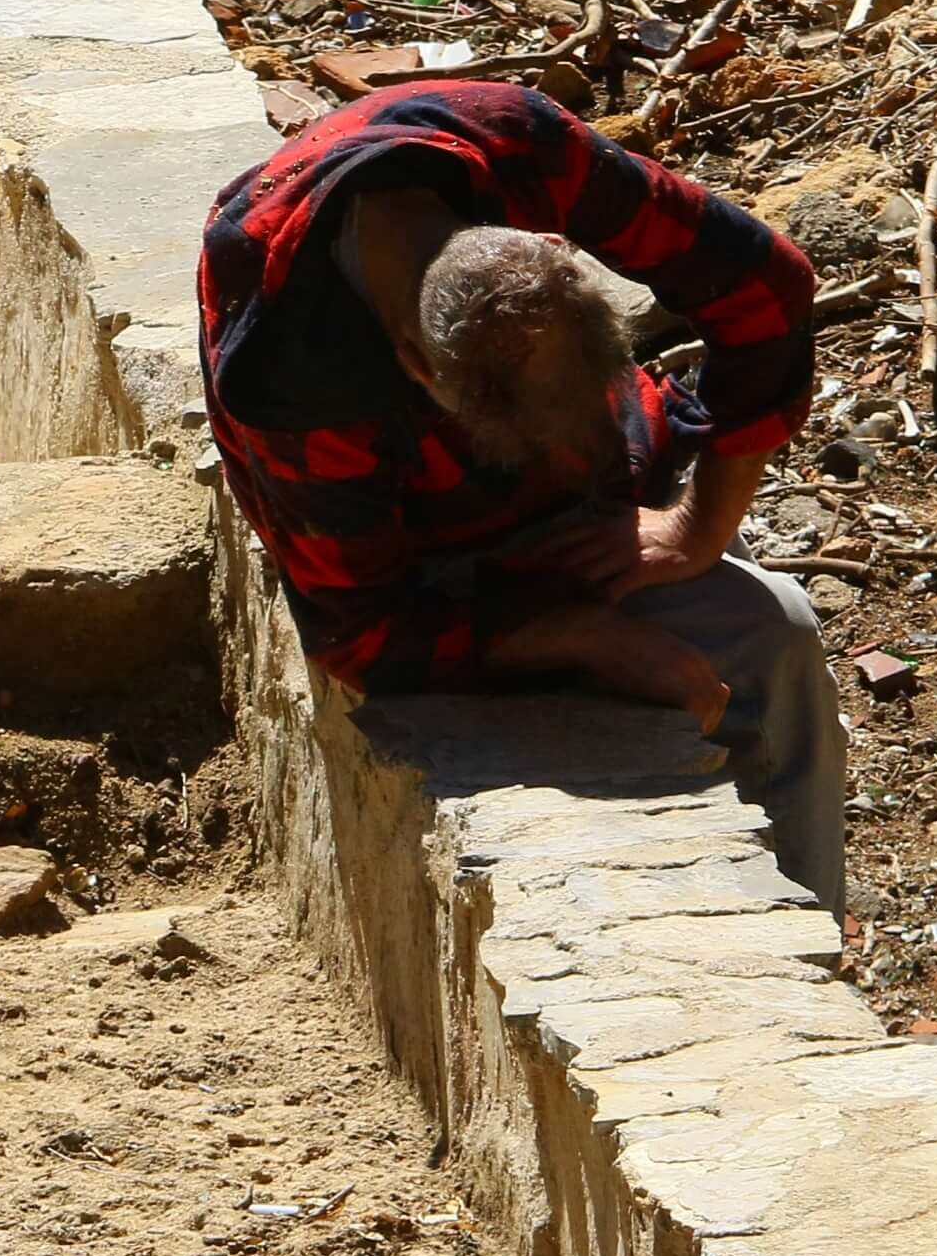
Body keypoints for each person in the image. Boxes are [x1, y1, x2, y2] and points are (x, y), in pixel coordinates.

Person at [198, 78, 842, 911]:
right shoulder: (295, 382)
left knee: (775, 634)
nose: (580, 458)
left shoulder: (512, 143)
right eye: (547, 441)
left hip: (583, 512)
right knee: (754, 633)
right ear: (419, 369)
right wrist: (568, 637)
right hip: (442, 560)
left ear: (556, 248)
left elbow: (765, 286)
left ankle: (809, 932)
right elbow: (364, 638)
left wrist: (698, 525)